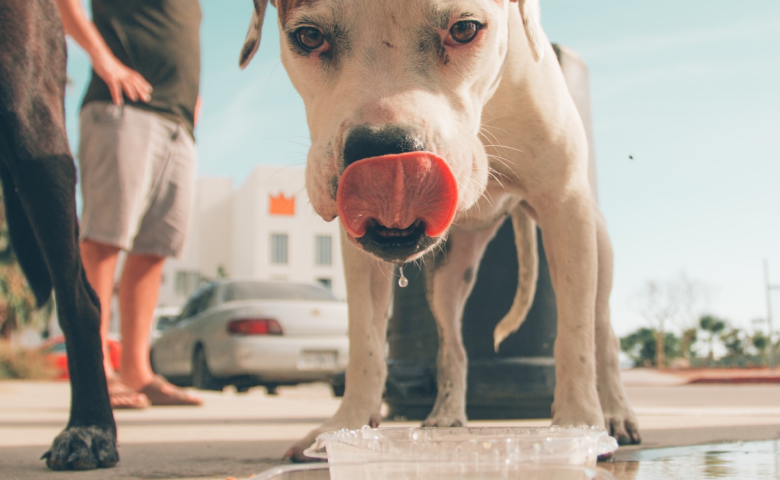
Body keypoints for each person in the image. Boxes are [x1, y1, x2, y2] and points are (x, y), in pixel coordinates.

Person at [54, 0, 203, 408]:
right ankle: (94, 370)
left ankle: (137, 371)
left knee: (155, 251)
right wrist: (103, 60)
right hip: (121, 108)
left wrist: (194, 96)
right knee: (105, 240)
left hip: (178, 123)